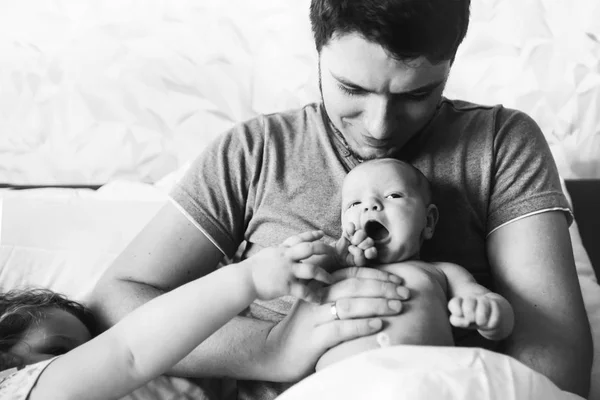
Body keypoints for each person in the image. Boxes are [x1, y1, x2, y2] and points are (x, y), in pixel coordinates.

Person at [90, 0, 593, 399]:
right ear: (319, 47)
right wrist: (270, 351)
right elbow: (118, 299)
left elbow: (556, 364)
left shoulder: (500, 142)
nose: (379, 126)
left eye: (418, 94)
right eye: (352, 87)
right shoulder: (254, 152)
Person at [0, 232, 333, 400]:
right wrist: (250, 278)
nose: (90, 363)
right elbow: (128, 351)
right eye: (60, 352)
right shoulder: (16, 388)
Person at [315, 158, 514, 371]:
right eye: (355, 203)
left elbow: (482, 299)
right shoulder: (333, 271)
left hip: (422, 381)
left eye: (393, 196)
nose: (370, 205)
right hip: (340, 385)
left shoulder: (442, 272)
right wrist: (327, 261)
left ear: (428, 222)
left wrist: (487, 311)